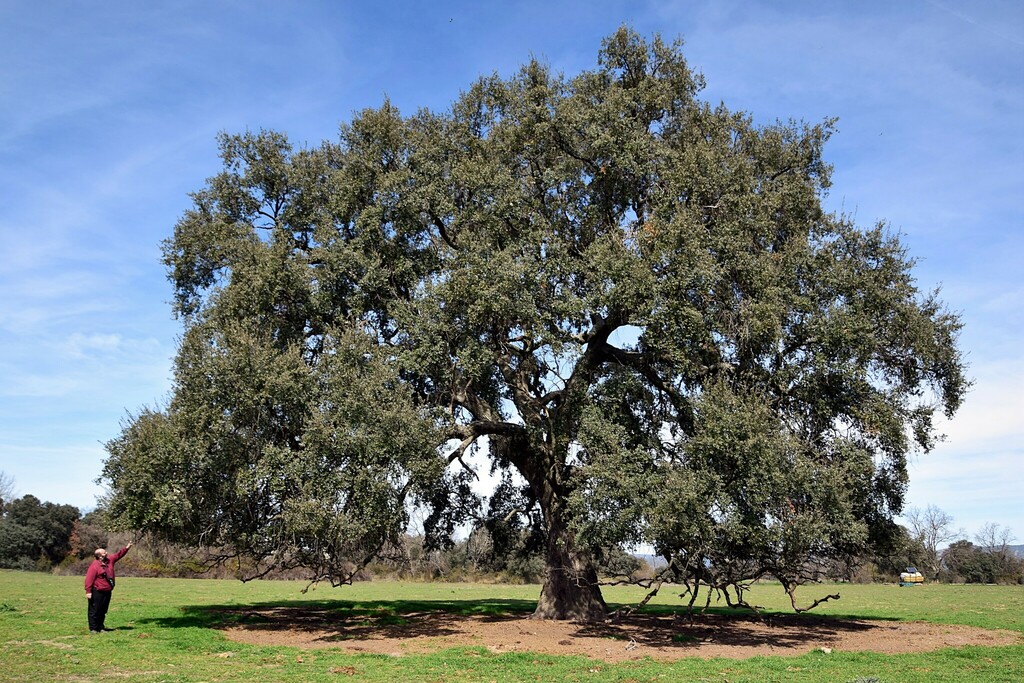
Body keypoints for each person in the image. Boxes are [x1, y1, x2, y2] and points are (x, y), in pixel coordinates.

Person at [84, 542, 132, 633]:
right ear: (99, 556)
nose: (106, 553)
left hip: (107, 591)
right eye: (104, 552)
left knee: (103, 610)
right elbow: (89, 579)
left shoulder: (110, 560)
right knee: (94, 610)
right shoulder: (94, 566)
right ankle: (93, 628)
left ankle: (101, 627)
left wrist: (127, 548)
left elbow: (118, 555)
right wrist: (88, 591)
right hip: (97, 591)